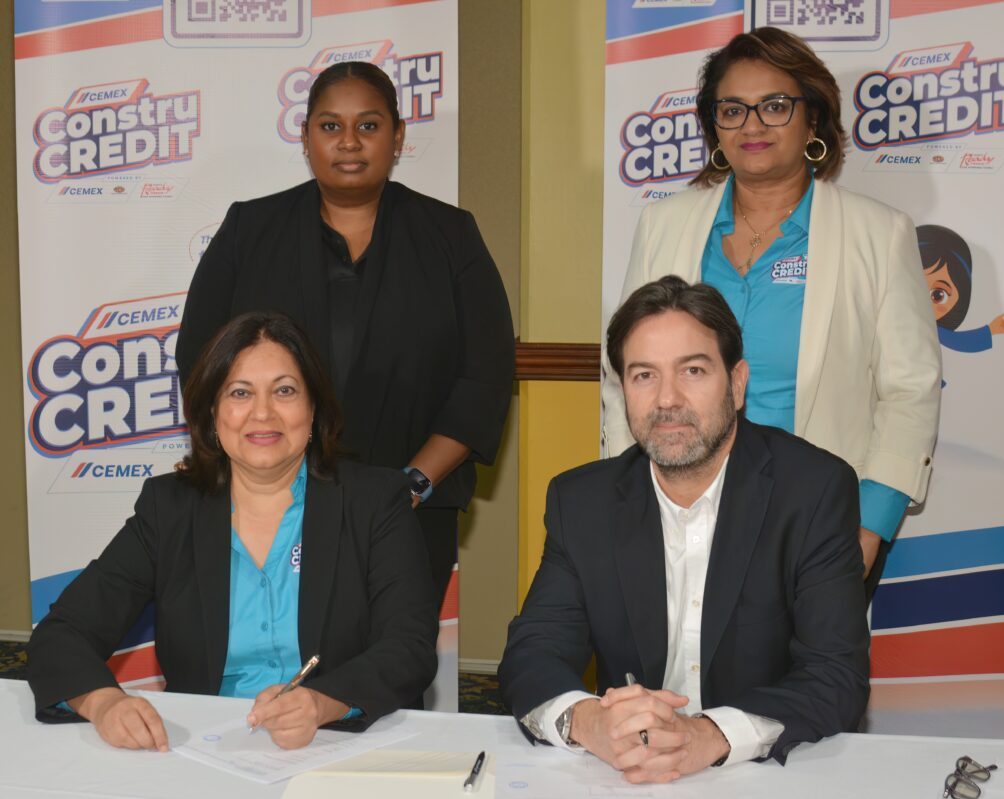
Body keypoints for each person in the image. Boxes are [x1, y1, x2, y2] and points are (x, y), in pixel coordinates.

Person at [601, 27, 940, 594]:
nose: (752, 125)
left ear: (814, 119)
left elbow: (910, 388)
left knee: (807, 680)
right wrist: (630, 492)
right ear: (713, 125)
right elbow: (622, 373)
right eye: (732, 109)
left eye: (775, 106)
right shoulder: (665, 225)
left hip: (818, 519)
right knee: (675, 676)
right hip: (677, 506)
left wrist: (868, 526)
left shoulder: (878, 234)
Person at [501, 276, 869, 784]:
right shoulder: (582, 501)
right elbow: (533, 652)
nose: (667, 400)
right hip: (626, 774)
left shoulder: (813, 490)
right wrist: (591, 723)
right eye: (644, 375)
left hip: (766, 773)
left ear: (737, 384)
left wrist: (709, 735)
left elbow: (836, 675)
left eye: (692, 370)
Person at [176, 61, 515, 604]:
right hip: (267, 500)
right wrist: (252, 469)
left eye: (370, 125)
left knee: (390, 664)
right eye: (331, 126)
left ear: (398, 135)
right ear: (306, 136)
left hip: (409, 506)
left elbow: (486, 377)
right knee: (275, 657)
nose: (349, 142)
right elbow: (200, 358)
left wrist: (413, 484)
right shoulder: (249, 229)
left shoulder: (451, 235)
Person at [28, 311, 439, 751]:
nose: (262, 413)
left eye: (284, 391)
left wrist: (323, 702)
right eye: (240, 393)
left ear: (313, 407)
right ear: (212, 412)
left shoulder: (374, 501)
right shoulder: (169, 509)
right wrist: (103, 701)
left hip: (336, 742)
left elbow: (409, 646)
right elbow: (63, 632)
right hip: (204, 747)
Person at [918, 224, 1004, 355]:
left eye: (938, 295)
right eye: (914, 287)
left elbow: (959, 341)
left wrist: (990, 330)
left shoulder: (932, 329)